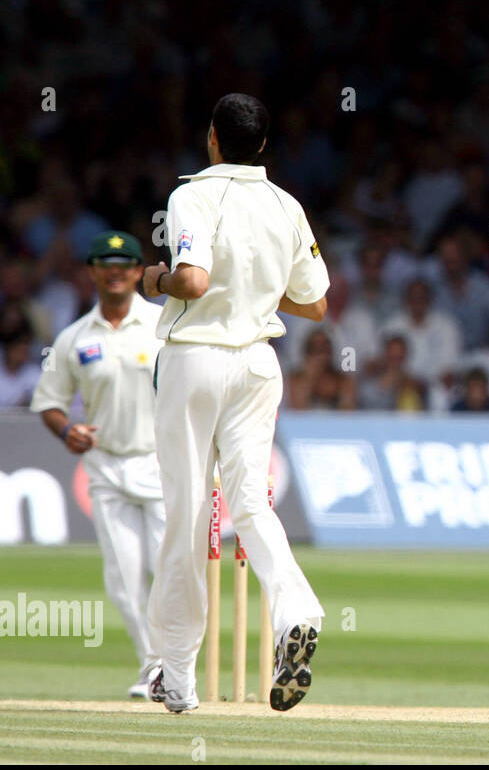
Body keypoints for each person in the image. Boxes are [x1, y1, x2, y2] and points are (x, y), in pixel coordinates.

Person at [141, 93, 329, 713]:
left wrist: (154, 282)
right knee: (251, 503)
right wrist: (255, 288)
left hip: (196, 357)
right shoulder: (287, 205)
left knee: (190, 516)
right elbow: (316, 303)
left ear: (213, 139)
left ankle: (178, 678)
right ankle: (297, 610)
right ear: (264, 145)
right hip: (258, 363)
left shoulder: (192, 194)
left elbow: (191, 280)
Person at [29, 231, 163, 698]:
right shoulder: (74, 338)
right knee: (124, 579)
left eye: (125, 263)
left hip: (162, 465)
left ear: (136, 270)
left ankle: (175, 666)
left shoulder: (163, 324)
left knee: (168, 573)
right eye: (106, 263)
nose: (116, 271)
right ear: (93, 272)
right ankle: (155, 670)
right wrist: (68, 431)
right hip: (106, 467)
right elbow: (48, 402)